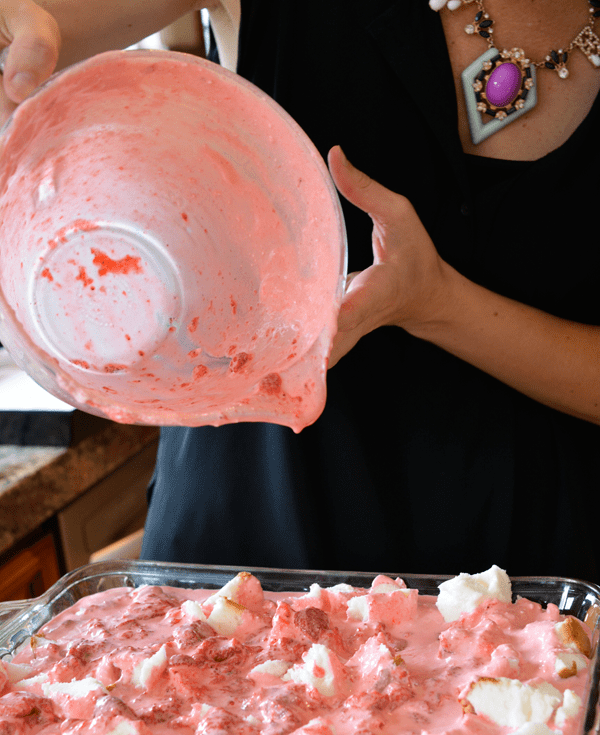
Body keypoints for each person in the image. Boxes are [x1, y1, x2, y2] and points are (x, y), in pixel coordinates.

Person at [1, 0, 600, 581]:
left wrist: (439, 303)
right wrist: (18, 29)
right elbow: (40, 22)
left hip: (528, 581)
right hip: (243, 551)